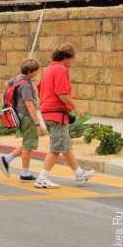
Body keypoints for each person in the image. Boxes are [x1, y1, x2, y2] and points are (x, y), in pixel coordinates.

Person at [34, 43, 95, 188]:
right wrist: (76, 107)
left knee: (65, 146)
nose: (73, 62)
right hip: (57, 114)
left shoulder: (48, 69)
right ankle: (42, 178)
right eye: (72, 59)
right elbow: (62, 94)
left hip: (47, 112)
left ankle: (79, 174)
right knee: (57, 148)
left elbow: (39, 88)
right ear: (66, 58)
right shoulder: (61, 69)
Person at [0, 58, 47, 181]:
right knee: (28, 146)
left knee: (27, 142)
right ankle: (25, 173)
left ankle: (7, 159)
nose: (37, 73)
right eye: (36, 71)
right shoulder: (26, 85)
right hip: (26, 116)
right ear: (30, 72)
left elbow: (6, 85)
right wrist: (37, 124)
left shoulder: (17, 79)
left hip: (18, 114)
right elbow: (29, 104)